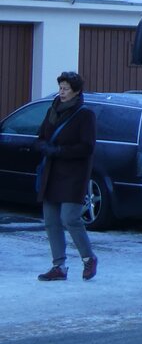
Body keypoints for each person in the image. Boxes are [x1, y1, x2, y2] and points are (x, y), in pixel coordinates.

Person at [34, 71, 99, 282]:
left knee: (70, 218)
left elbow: (87, 147)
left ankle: (89, 258)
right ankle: (58, 266)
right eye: (60, 88)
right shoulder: (53, 109)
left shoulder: (84, 114)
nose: (61, 92)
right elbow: (41, 135)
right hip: (52, 172)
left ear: (76, 91)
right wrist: (44, 146)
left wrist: (59, 151)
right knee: (51, 220)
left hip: (73, 174)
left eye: (66, 89)